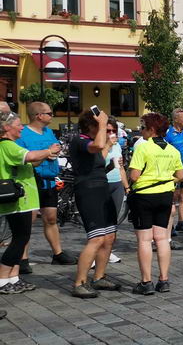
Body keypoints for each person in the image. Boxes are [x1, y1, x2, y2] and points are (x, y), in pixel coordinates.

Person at [0, 110, 61, 295]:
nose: (21, 128)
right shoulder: (7, 145)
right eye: (18, 125)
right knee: (19, 240)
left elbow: (30, 162)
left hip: (24, 201)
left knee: (21, 238)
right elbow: (30, 157)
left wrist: (45, 155)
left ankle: (13, 278)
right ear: (6, 128)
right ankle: (2, 279)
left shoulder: (10, 145)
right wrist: (49, 151)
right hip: (19, 201)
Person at [128, 112, 183, 295]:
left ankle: (146, 282)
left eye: (143, 127)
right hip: (165, 195)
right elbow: (181, 176)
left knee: (145, 239)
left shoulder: (143, 148)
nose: (141, 130)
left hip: (144, 195)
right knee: (161, 238)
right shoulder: (172, 150)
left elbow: (134, 176)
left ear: (152, 129)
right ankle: (164, 280)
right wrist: (165, 179)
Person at [16, 101, 77, 271]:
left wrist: (55, 151)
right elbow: (24, 158)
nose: (52, 115)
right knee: (28, 221)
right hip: (31, 181)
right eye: (49, 113)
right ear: (39, 116)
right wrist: (47, 154)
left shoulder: (48, 131)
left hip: (49, 180)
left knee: (51, 218)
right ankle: (23, 258)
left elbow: (55, 148)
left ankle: (57, 253)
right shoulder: (23, 134)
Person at [68, 109, 121, 298]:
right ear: (91, 125)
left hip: (102, 189)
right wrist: (102, 124)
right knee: (96, 238)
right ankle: (80, 282)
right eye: (101, 127)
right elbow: (97, 146)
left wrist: (109, 144)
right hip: (88, 190)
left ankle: (99, 277)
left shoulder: (94, 142)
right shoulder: (80, 140)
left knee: (109, 237)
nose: (105, 130)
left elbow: (100, 154)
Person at [104, 119, 127, 263]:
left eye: (114, 131)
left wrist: (127, 187)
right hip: (102, 184)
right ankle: (96, 252)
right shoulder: (98, 145)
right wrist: (107, 145)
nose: (111, 133)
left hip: (116, 183)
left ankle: (108, 251)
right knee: (100, 220)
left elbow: (121, 167)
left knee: (113, 220)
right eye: (108, 130)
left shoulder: (117, 145)